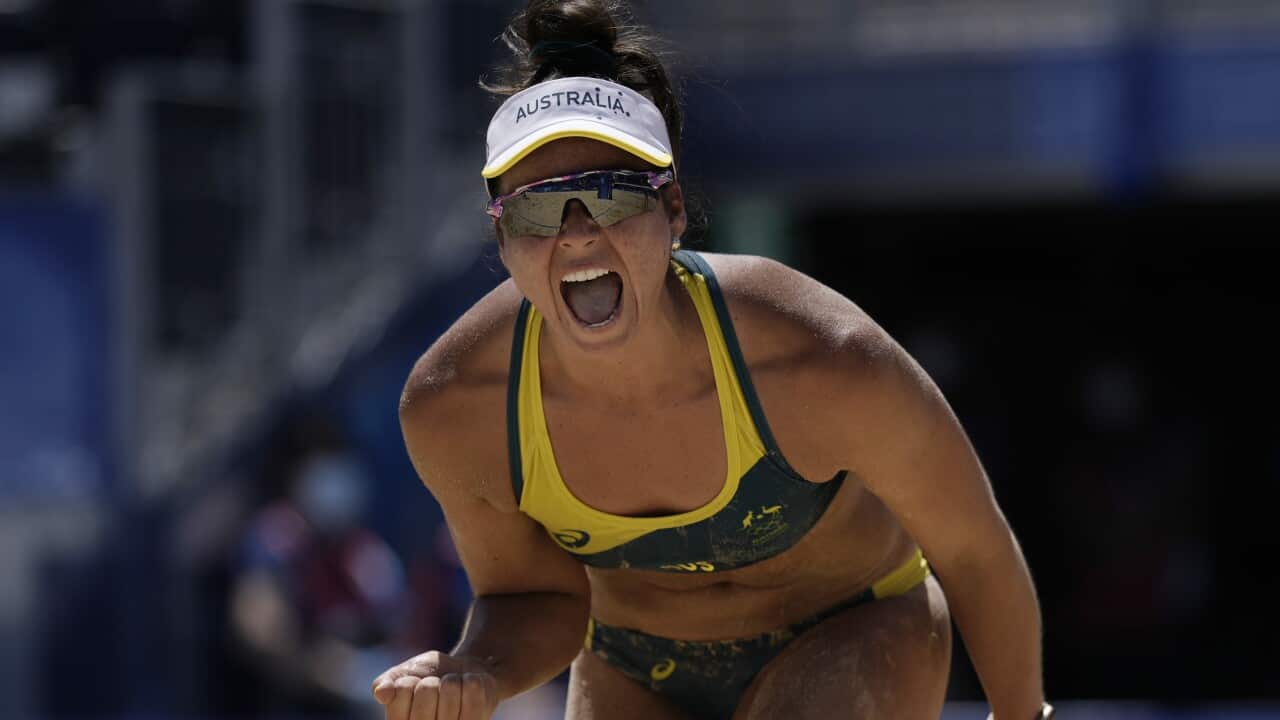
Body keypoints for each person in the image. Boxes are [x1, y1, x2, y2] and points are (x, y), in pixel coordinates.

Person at [373, 1, 1050, 718]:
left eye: (607, 195)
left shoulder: (818, 358)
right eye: (540, 208)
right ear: (501, 235)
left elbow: (974, 550)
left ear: (671, 211)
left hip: (853, 628)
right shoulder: (457, 404)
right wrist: (473, 668)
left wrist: (1025, 715)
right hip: (634, 661)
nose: (575, 235)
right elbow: (534, 600)